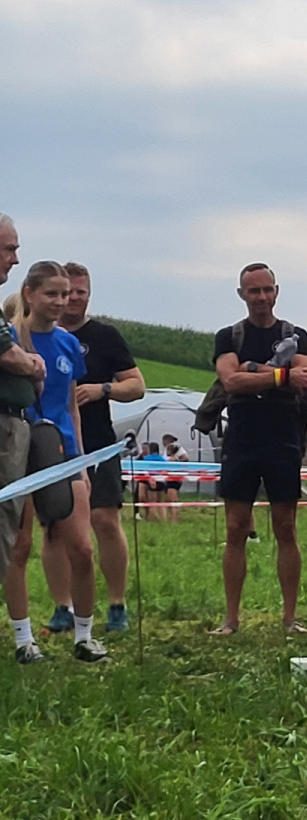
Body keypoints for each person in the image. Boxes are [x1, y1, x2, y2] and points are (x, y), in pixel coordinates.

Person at [7, 262, 108, 662]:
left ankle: (84, 636)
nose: (61, 301)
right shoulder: (10, 339)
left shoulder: (68, 344)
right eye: (51, 293)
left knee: (81, 548)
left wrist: (80, 459)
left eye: (65, 294)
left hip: (64, 452)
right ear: (29, 294)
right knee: (19, 547)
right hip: (19, 450)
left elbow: (71, 405)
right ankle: (24, 640)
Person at [39, 263, 146, 634]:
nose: (72, 299)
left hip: (99, 442)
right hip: (49, 443)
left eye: (80, 293)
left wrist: (104, 389)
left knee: (104, 520)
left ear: (89, 295)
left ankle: (117, 605)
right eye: (65, 292)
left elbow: (137, 386)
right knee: (54, 528)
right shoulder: (37, 335)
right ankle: (62, 607)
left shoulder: (104, 336)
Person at [211, 262, 307, 635]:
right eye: (253, 291)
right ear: (242, 294)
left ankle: (290, 618)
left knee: (286, 527)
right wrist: (281, 375)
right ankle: (231, 618)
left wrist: (253, 370)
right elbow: (230, 381)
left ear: (276, 291)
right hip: (241, 437)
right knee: (235, 527)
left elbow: (306, 378)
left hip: (283, 436)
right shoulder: (228, 336)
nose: (261, 297)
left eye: (267, 289)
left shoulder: (295, 335)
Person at [0, 216, 45, 611]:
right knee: (3, 519)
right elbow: (8, 356)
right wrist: (32, 364)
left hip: (13, 423)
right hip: (4, 427)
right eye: (9, 249)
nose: (15, 259)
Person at [162, 432, 190, 523]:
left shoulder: (176, 447)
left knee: (172, 499)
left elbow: (185, 459)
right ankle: (172, 517)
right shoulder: (166, 449)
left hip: (175, 476)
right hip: (169, 476)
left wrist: (176, 461)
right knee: (168, 499)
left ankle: (174, 520)